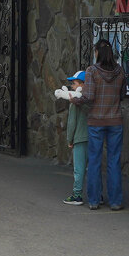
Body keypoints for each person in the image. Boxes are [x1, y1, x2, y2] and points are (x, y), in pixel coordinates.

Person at [75, 39, 127, 211]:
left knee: (95, 161)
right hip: (115, 120)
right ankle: (115, 201)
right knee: (114, 161)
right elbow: (123, 94)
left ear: (97, 52)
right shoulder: (120, 71)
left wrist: (75, 100)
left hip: (96, 120)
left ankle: (94, 200)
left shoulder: (92, 71)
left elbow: (88, 96)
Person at [55, 71, 88, 205]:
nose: (72, 87)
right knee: (93, 168)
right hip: (92, 136)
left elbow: (72, 122)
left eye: (74, 83)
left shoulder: (75, 101)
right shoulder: (90, 99)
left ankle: (77, 195)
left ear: (82, 84)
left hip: (79, 137)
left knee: (79, 168)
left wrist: (70, 140)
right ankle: (97, 194)